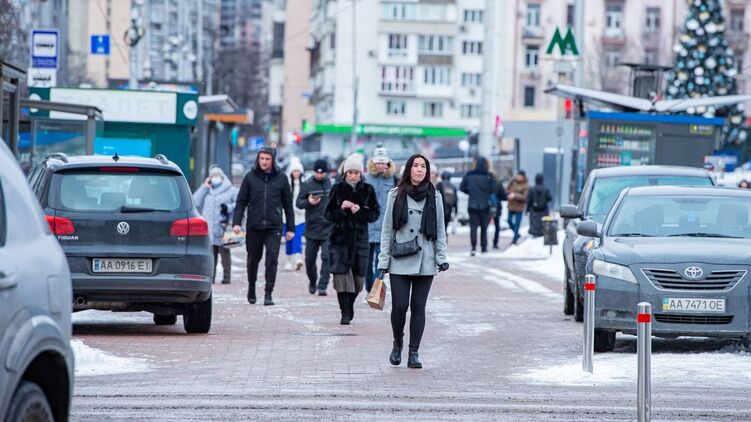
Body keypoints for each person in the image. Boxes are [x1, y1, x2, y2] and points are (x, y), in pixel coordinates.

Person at [378, 154, 449, 369]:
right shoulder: (395, 194)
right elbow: (387, 230)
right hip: (400, 257)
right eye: (415, 166)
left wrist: (441, 257)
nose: (419, 169)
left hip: (425, 259)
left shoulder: (435, 197)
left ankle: (414, 353)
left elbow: (440, 230)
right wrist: (383, 261)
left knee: (419, 308)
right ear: (409, 169)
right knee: (400, 306)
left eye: (423, 166)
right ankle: (397, 342)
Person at [232, 147, 295, 306]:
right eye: (261, 159)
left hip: (274, 226)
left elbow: (288, 205)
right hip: (254, 226)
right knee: (253, 259)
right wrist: (236, 222)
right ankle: (251, 287)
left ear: (273, 160)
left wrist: (291, 228)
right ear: (258, 159)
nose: (264, 162)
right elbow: (241, 202)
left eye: (267, 159)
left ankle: (268, 293)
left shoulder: (282, 178)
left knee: (272, 259)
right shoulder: (250, 177)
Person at [325, 153, 380, 325]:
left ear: (361, 173)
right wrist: (341, 209)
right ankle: (345, 311)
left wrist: (361, 211)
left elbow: (375, 213)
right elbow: (327, 214)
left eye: (356, 172)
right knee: (341, 279)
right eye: (350, 172)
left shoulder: (368, 189)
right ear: (345, 173)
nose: (353, 176)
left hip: (360, 241)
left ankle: (350, 305)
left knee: (358, 281)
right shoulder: (337, 189)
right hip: (339, 241)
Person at [193, 165, 239, 284]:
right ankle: (211, 276)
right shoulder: (207, 191)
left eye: (217, 175)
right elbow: (195, 201)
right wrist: (204, 186)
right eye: (212, 175)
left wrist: (228, 208)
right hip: (209, 228)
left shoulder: (231, 190)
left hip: (223, 227)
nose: (215, 177)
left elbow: (239, 204)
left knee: (225, 252)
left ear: (222, 177)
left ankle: (226, 276)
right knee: (211, 254)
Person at [296, 159, 333, 295]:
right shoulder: (307, 184)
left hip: (329, 227)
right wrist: (309, 201)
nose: (320, 175)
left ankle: (323, 285)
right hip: (312, 228)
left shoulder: (331, 184)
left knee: (327, 257)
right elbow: (298, 203)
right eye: (317, 173)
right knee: (309, 260)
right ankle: (313, 280)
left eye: (322, 173)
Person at [364, 145, 397, 292]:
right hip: (368, 225)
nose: (381, 166)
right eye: (378, 162)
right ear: (373, 163)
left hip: (385, 226)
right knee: (366, 260)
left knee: (381, 261)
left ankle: (375, 290)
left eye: (384, 163)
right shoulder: (365, 178)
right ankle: (368, 287)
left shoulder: (393, 179)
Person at [460, 157, 496, 256]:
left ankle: (473, 247)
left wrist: (470, 192)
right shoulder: (488, 175)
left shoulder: (469, 174)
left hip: (472, 204)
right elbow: (493, 189)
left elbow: (462, 187)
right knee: (484, 227)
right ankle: (484, 247)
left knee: (473, 227)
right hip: (485, 204)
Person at [283, 159, 306, 271]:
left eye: (298, 171)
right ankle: (288, 260)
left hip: (300, 216)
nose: (296, 173)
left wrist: (301, 208)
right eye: (294, 171)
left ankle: (298, 258)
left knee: (297, 236)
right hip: (287, 217)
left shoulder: (304, 184)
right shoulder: (286, 184)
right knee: (289, 238)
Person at [506, 170, 529, 245]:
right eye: (518, 175)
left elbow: (525, 197)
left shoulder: (525, 185)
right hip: (511, 206)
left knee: (517, 224)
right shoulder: (513, 182)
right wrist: (508, 194)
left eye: (520, 176)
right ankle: (517, 234)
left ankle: (514, 240)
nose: (518, 177)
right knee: (509, 220)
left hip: (519, 207)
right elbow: (507, 190)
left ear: (523, 177)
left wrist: (515, 195)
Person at [527, 173, 553, 237]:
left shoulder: (532, 189)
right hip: (544, 210)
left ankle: (535, 236)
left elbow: (529, 200)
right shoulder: (546, 189)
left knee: (535, 225)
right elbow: (549, 198)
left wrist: (528, 209)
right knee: (543, 224)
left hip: (534, 211)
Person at [492, 178, 508, 249]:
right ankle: (495, 243)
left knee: (484, 226)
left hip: (486, 206)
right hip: (497, 207)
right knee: (497, 226)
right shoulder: (498, 184)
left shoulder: (486, 182)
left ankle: (484, 244)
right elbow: (504, 196)